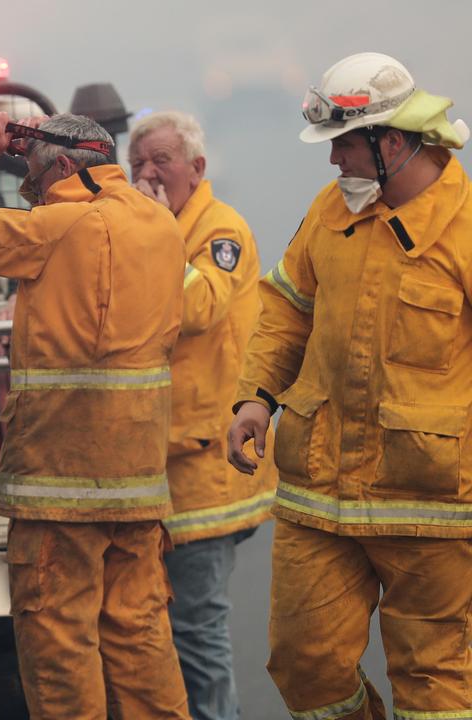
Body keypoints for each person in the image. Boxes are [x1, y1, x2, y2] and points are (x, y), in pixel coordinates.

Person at [228, 52, 472, 720]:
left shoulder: (464, 228)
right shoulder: (329, 212)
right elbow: (284, 310)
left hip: (431, 506)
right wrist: (256, 397)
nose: (334, 162)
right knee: (303, 665)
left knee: (436, 687)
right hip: (320, 494)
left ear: (391, 142)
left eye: (343, 145)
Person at [0, 111, 189, 719]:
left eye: (36, 171)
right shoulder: (161, 224)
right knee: (141, 637)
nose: (32, 182)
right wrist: (36, 159)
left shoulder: (59, 225)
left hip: (59, 484)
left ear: (68, 167)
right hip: (138, 485)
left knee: (60, 644)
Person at [128, 110, 276, 720]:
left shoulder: (221, 231)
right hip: (156, 467)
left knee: (196, 628)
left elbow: (203, 307)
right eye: (137, 161)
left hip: (205, 472)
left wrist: (157, 232)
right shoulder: (148, 226)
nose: (148, 172)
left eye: (161, 159)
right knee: (156, 631)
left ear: (197, 167)